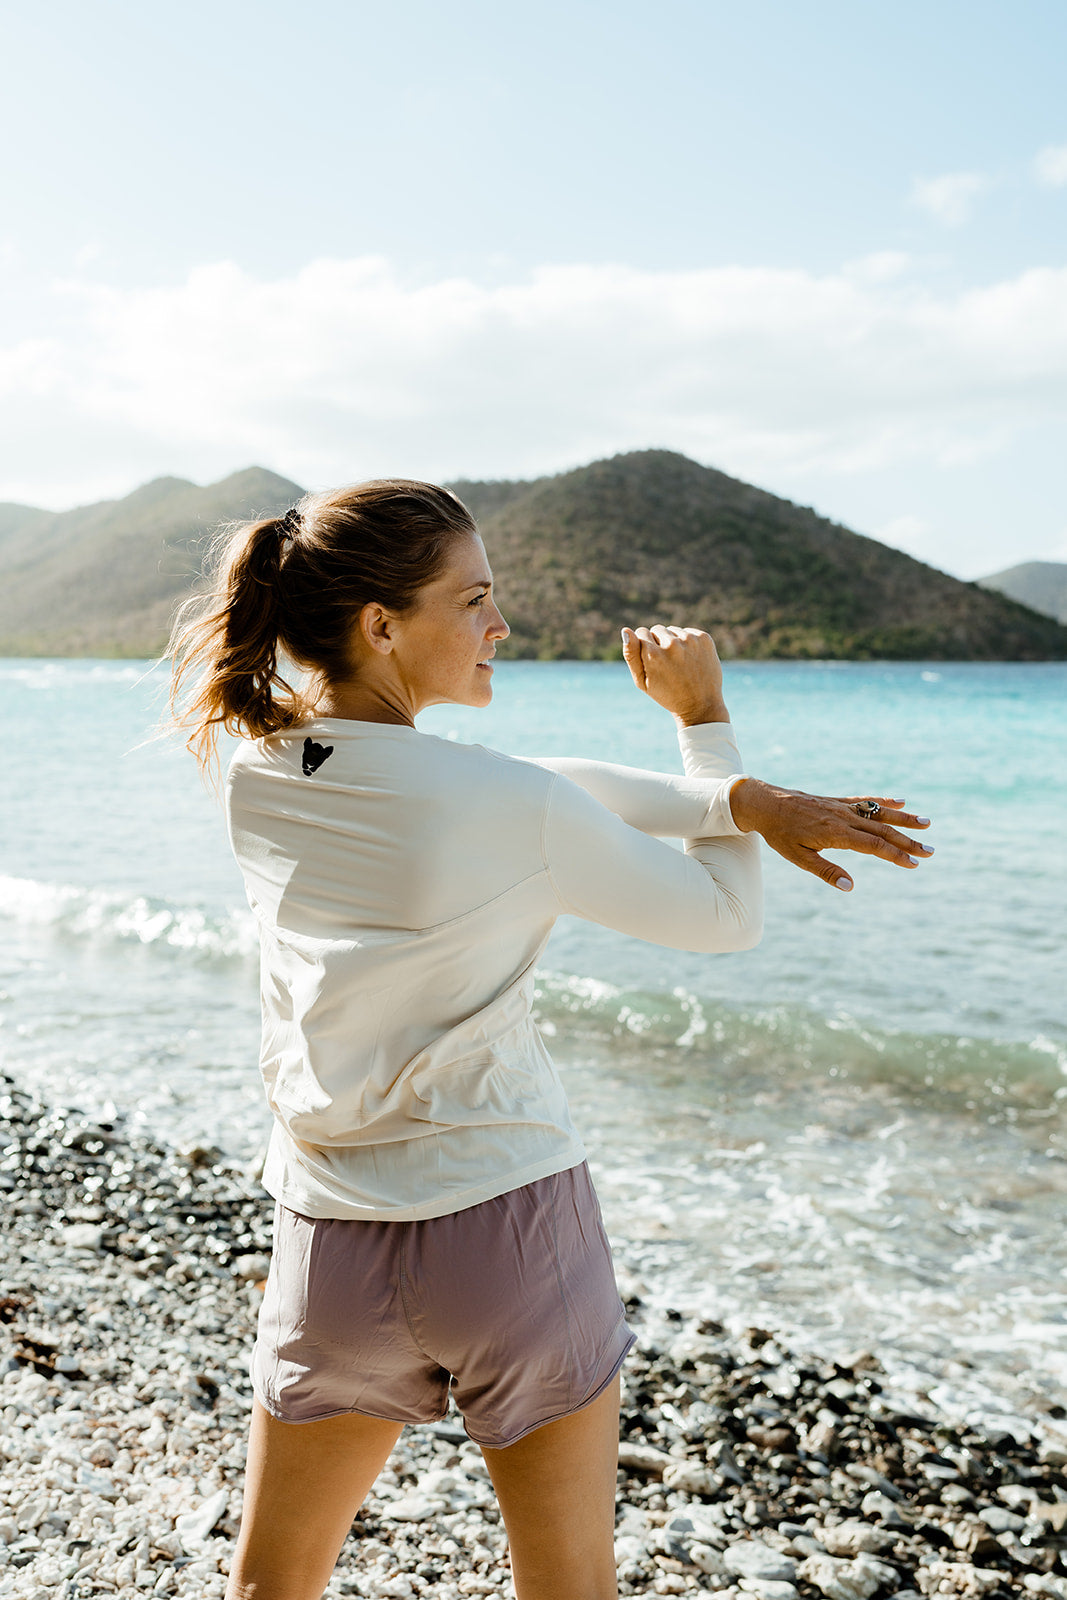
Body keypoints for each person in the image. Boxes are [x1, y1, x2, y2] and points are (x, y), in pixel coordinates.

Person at [168, 479, 932, 1600]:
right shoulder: (503, 806)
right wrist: (702, 727)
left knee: (274, 1580)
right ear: (381, 624)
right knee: (566, 1583)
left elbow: (527, 789)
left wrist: (740, 802)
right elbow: (720, 919)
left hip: (330, 1240)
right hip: (504, 1227)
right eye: (473, 598)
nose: (499, 625)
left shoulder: (259, 776)